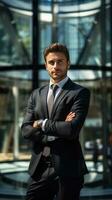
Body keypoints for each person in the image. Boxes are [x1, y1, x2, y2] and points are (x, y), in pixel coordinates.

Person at [21, 43, 90, 200]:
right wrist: (58, 128)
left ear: (68, 64)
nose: (56, 66)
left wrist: (41, 124)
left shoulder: (79, 93)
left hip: (68, 169)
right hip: (40, 168)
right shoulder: (36, 94)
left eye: (60, 61)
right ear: (46, 65)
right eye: (51, 62)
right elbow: (25, 130)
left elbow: (71, 130)